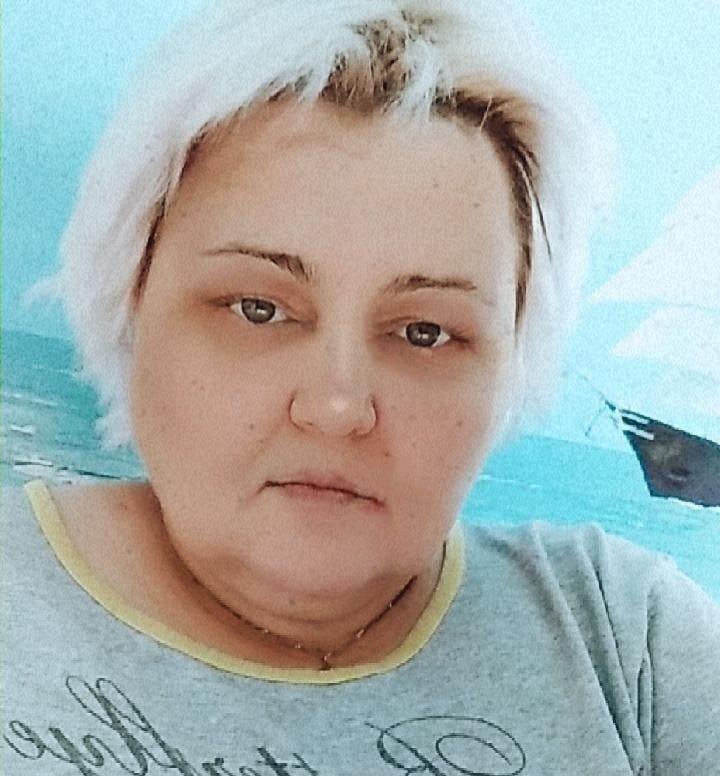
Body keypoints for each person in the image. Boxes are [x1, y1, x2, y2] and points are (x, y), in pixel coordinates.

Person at [2, 1, 719, 773]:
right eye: (258, 309)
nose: (338, 407)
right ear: (131, 300)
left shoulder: (628, 642)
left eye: (425, 332)